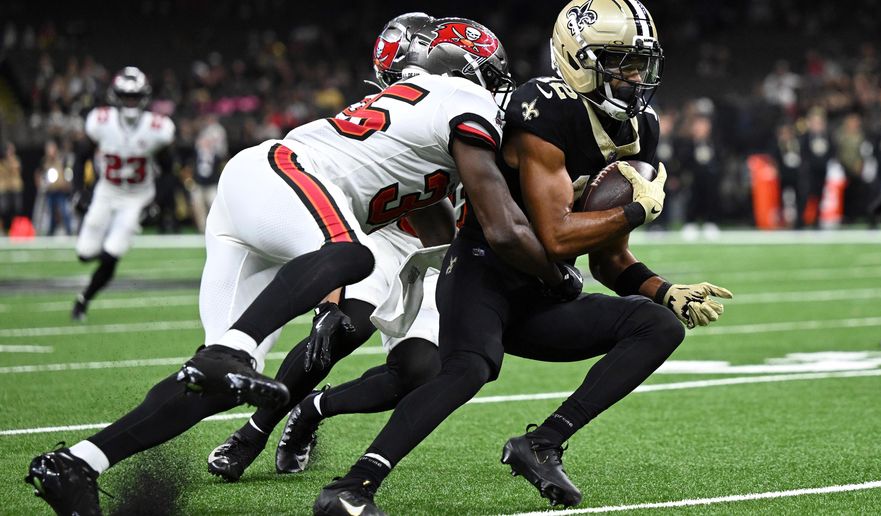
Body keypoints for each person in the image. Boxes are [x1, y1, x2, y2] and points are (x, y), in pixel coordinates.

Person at [25, 18, 580, 516]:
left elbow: (438, 222)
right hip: (283, 175)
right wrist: (553, 273)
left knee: (211, 387)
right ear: (477, 73)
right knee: (352, 254)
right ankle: (232, 351)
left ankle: (77, 463)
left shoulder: (418, 112)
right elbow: (500, 226)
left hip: (255, 203)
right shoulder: (466, 98)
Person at [314, 2, 732, 514]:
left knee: (657, 326)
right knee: (467, 370)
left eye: (641, 64)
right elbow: (555, 237)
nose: (634, 77)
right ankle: (352, 486)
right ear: (578, 60)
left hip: (544, 289)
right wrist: (634, 211)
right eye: (619, 62)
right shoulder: (544, 107)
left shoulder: (640, 127)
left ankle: (542, 443)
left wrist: (665, 291)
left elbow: (607, 260)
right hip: (484, 271)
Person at [205, 12, 461, 483]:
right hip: (379, 234)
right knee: (343, 329)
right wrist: (330, 293)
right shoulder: (397, 118)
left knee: (419, 371)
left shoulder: (480, 116)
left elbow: (448, 217)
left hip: (438, 252)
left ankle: (312, 409)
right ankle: (253, 431)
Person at [70, 67, 176, 321]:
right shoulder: (101, 122)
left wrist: (156, 203)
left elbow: (169, 171)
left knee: (111, 254)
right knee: (85, 253)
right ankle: (104, 251)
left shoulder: (156, 128)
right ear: (115, 96)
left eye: (135, 96)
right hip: (106, 191)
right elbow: (81, 157)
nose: (130, 102)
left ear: (144, 97)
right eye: (126, 96)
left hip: (137, 197)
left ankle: (83, 300)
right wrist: (78, 191)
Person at [0, 141, 24, 234]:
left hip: (15, 187)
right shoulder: (2, 161)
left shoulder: (16, 160)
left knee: (17, 209)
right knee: (4, 209)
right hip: (4, 188)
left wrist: (10, 160)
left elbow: (16, 169)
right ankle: (4, 228)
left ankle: (16, 229)